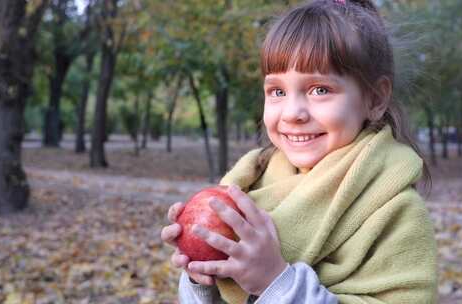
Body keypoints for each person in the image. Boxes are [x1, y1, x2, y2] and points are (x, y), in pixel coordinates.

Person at [161, 0, 438, 303]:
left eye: (320, 89)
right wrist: (202, 276)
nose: (292, 113)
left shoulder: (396, 211)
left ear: (375, 99)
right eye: (277, 91)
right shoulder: (250, 184)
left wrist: (276, 283)